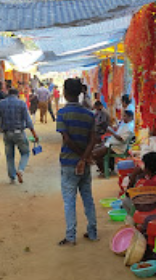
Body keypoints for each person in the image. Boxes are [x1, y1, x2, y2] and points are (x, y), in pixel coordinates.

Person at [56, 78, 98, 246]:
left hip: (68, 163)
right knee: (87, 196)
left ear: (65, 93)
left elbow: (66, 140)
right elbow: (93, 139)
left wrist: (81, 156)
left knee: (69, 200)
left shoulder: (62, 114)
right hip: (84, 163)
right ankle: (93, 232)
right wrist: (85, 157)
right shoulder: (89, 114)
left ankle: (71, 236)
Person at [0, 88, 39, 184]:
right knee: (25, 152)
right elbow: (28, 121)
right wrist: (34, 134)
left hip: (7, 133)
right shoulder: (21, 104)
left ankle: (12, 177)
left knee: (9, 156)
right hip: (19, 133)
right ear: (17, 95)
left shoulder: (1, 104)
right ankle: (20, 170)